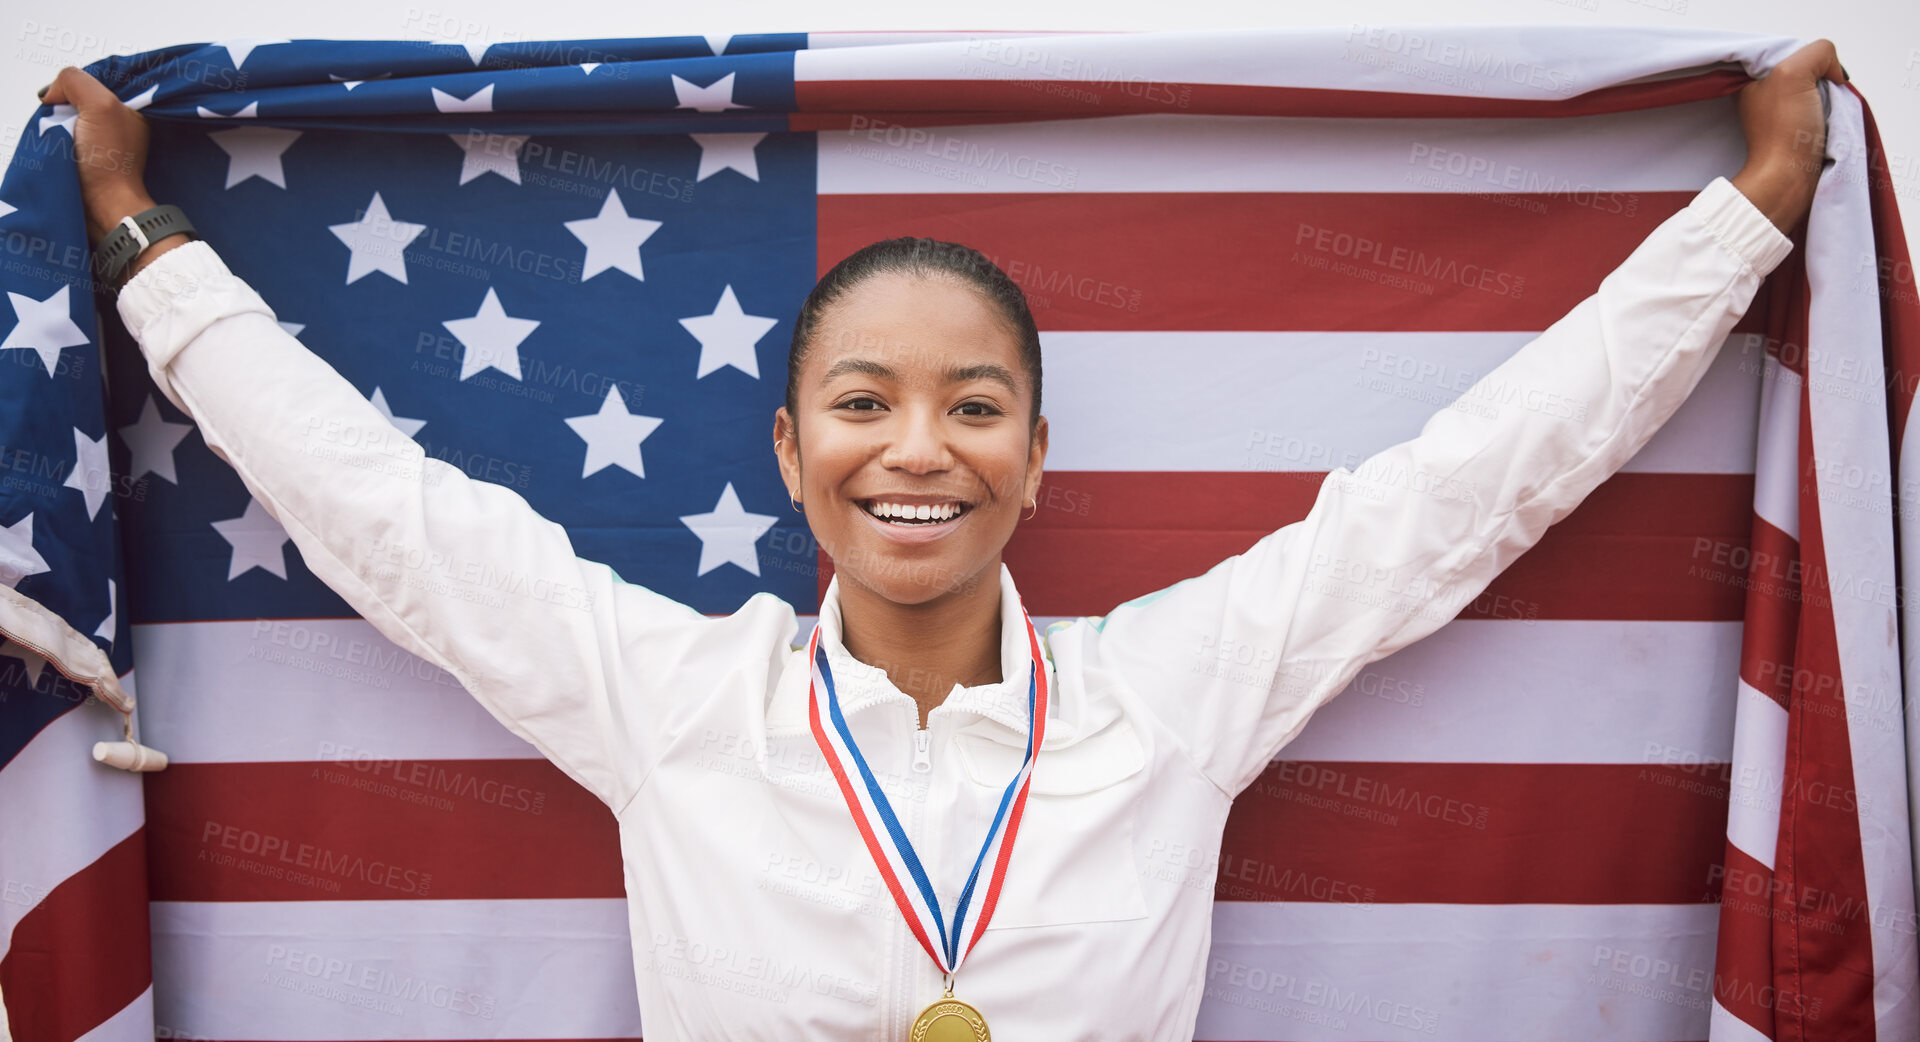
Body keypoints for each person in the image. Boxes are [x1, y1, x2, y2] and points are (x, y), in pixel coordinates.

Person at [41, 36, 1843, 1041]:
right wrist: (137, 241)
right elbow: (386, 516)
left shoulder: (1178, 693)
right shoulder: (676, 699)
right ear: (790, 448)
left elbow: (1467, 489)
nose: (921, 450)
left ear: (1039, 459)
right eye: (864, 402)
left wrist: (1751, 212)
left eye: (976, 406)